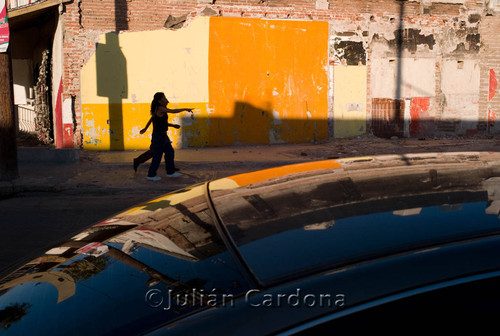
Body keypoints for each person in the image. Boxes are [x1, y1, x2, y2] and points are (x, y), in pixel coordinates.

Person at [145, 92, 193, 181]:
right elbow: (173, 111)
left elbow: (158, 122)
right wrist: (185, 109)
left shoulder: (157, 109)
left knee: (170, 152)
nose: (167, 101)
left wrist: (172, 125)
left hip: (162, 135)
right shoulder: (160, 108)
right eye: (164, 99)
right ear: (159, 101)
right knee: (158, 155)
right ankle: (151, 174)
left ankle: (170, 172)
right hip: (159, 136)